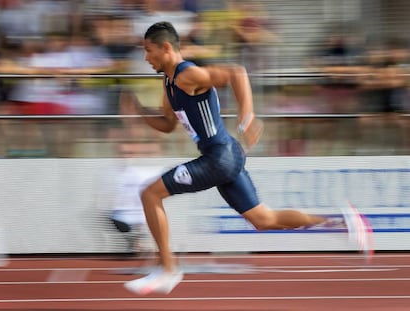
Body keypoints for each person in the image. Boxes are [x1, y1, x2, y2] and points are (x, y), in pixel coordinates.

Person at [121, 21, 369, 295]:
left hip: (219, 157)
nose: (145, 57)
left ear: (166, 47)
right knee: (264, 219)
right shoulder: (169, 83)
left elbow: (236, 73)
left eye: (148, 50)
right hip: (225, 156)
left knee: (150, 195)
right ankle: (340, 221)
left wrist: (247, 116)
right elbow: (167, 125)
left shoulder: (186, 75)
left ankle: (168, 269)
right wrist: (139, 111)